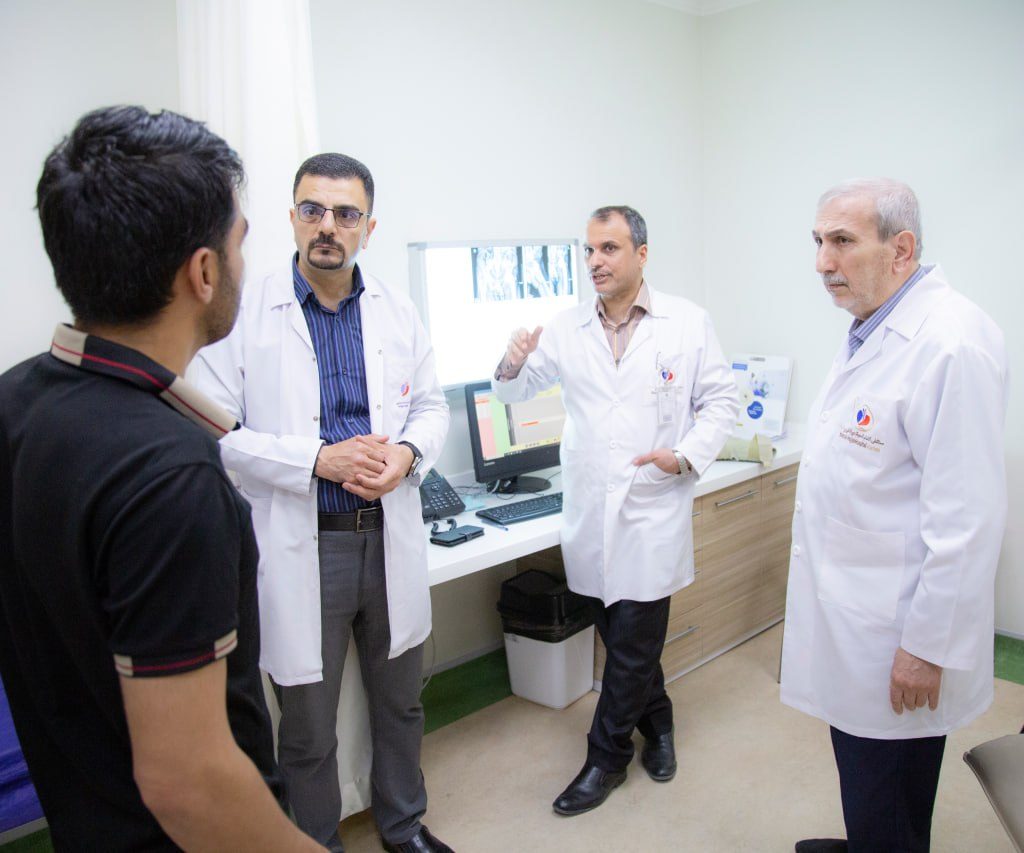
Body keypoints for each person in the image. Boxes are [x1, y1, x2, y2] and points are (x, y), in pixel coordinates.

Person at [0, 106, 323, 851]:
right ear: (203, 273)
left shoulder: (17, 402)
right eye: (240, 242)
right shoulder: (169, 476)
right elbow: (190, 783)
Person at [191, 153, 452, 853]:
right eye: (313, 210)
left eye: (345, 213)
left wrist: (406, 454)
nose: (327, 226)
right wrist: (315, 459)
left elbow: (431, 407)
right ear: (292, 218)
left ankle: (403, 825)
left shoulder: (397, 310)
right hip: (307, 541)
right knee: (307, 725)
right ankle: (316, 842)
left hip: (388, 533)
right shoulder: (245, 313)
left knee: (401, 702)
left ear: (369, 226)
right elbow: (211, 431)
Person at [781, 179, 1009, 853]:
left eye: (841, 241)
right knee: (875, 779)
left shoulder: (950, 344)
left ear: (901, 248)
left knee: (885, 780)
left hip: (897, 634)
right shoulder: (873, 325)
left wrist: (926, 647)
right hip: (861, 612)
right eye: (818, 241)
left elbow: (967, 520)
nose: (822, 261)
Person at [494, 205, 738, 815]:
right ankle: (660, 723)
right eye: (589, 250)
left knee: (629, 648)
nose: (595, 262)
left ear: (641, 254)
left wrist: (683, 456)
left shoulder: (687, 322)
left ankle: (605, 759)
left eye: (609, 248)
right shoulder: (567, 326)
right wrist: (513, 359)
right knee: (624, 638)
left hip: (653, 505)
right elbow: (514, 392)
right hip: (590, 510)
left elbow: (721, 402)